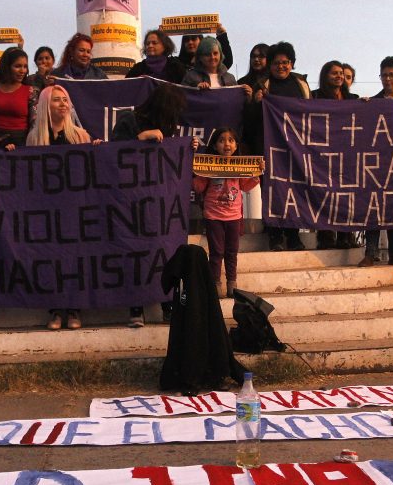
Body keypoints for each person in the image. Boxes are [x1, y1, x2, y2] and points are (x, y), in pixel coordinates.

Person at [111, 84, 198, 327]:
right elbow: (112, 153)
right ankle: (135, 307)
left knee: (164, 250)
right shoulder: (129, 119)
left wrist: (188, 150)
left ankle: (168, 303)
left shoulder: (169, 126)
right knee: (134, 252)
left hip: (160, 202)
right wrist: (140, 138)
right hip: (129, 199)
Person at [25, 85, 101, 330]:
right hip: (47, 209)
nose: (63, 104)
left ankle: (75, 309)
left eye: (66, 100)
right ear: (47, 104)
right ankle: (56, 310)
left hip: (76, 208)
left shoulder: (80, 135)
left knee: (76, 260)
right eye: (57, 100)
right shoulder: (34, 138)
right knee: (53, 260)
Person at [192, 128, 261, 298]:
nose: (227, 144)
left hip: (234, 216)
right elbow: (198, 187)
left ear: (236, 145)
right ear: (215, 146)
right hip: (213, 216)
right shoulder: (208, 165)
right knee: (216, 252)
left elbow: (245, 186)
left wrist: (256, 173)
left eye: (231, 140)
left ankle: (232, 283)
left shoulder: (239, 166)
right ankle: (215, 284)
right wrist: (196, 173)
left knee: (232, 251)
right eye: (222, 140)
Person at [255, 42, 310, 251]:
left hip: (296, 147)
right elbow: (252, 117)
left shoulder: (301, 86)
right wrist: (256, 102)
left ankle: (293, 235)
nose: (281, 66)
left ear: (292, 64)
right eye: (277, 63)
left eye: (285, 62)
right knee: (273, 189)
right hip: (271, 147)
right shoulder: (263, 84)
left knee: (294, 190)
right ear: (270, 65)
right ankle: (275, 235)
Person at [359, 56, 393, 268]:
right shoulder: (371, 103)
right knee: (374, 208)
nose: (388, 79)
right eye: (384, 75)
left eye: (392, 75)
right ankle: (370, 253)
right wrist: (362, 108)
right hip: (377, 165)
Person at [311, 60, 360, 250]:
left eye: (341, 73)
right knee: (325, 195)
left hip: (347, 156)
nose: (339, 76)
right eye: (334, 73)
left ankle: (346, 236)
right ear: (325, 76)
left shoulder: (353, 99)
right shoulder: (314, 97)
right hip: (322, 155)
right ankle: (326, 236)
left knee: (346, 196)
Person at [181, 37, 252, 99]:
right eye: (207, 54)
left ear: (220, 55)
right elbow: (181, 100)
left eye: (215, 53)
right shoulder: (190, 77)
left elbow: (237, 104)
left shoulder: (230, 78)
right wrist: (194, 90)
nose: (212, 57)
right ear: (200, 57)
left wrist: (248, 97)